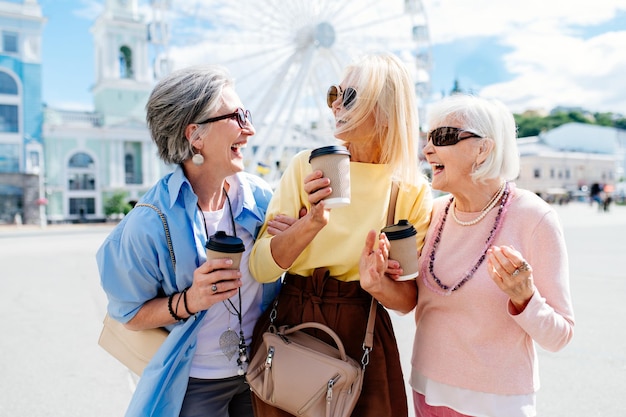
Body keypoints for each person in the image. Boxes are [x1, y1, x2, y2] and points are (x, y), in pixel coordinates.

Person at [360, 93, 575, 417]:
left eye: (442, 136)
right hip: (427, 392)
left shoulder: (534, 217)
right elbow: (413, 302)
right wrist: (377, 282)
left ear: (484, 148)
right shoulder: (432, 214)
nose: (427, 149)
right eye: (427, 137)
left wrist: (525, 298)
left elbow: (561, 336)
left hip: (496, 404)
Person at [247, 52, 433, 417]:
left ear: (385, 108)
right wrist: (311, 223)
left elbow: (406, 300)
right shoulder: (307, 165)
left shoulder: (410, 190)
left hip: (362, 328)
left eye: (348, 96)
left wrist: (377, 283)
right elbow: (261, 268)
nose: (335, 105)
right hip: (292, 322)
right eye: (334, 93)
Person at [96, 65, 280, 417]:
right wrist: (190, 300)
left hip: (261, 371)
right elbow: (129, 315)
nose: (250, 129)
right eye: (238, 116)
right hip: (195, 384)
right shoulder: (149, 223)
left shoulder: (260, 199)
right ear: (195, 135)